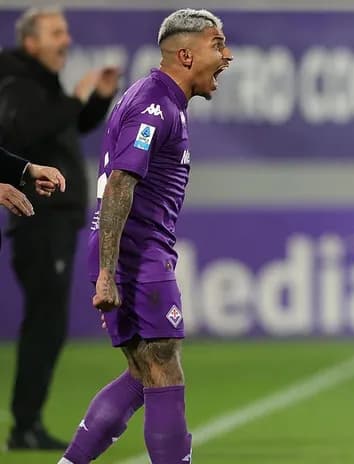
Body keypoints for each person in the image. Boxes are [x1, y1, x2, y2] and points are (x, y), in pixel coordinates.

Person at [59, 9, 232, 464]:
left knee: (141, 373)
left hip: (130, 252)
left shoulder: (162, 101)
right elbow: (120, 183)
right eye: (218, 45)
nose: (227, 56)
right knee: (162, 367)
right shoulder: (155, 104)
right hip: (137, 254)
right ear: (185, 54)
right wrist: (108, 274)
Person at [0, 6, 118, 450]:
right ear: (31, 42)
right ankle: (24, 425)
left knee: (49, 324)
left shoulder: (38, 82)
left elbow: (62, 130)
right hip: (39, 217)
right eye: (56, 32)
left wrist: (98, 100)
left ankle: (27, 423)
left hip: (56, 217)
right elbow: (23, 132)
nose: (65, 39)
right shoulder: (15, 81)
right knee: (45, 324)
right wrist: (75, 98)